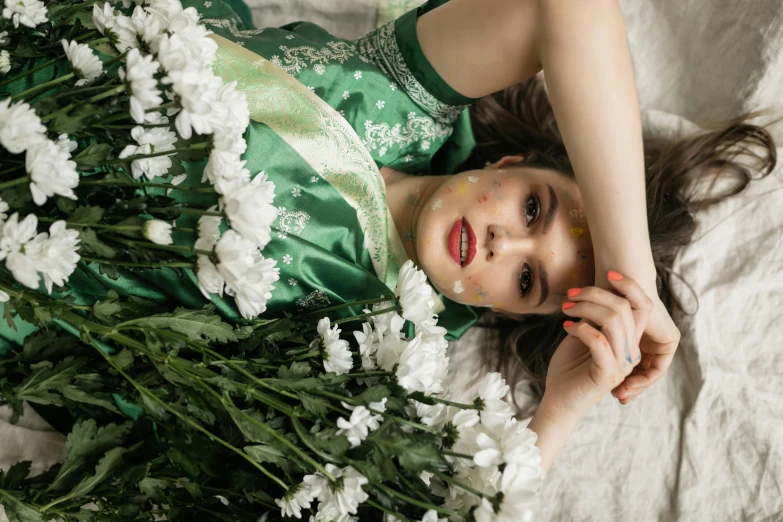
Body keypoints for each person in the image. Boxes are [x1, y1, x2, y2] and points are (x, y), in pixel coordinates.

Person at [0, 0, 775, 476]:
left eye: (529, 283)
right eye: (536, 211)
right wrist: (624, 276)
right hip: (48, 82)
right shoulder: (400, 94)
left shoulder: (384, 343)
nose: (506, 245)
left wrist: (564, 408)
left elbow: (431, 507)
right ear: (508, 162)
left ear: (503, 313)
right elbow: (563, 8)